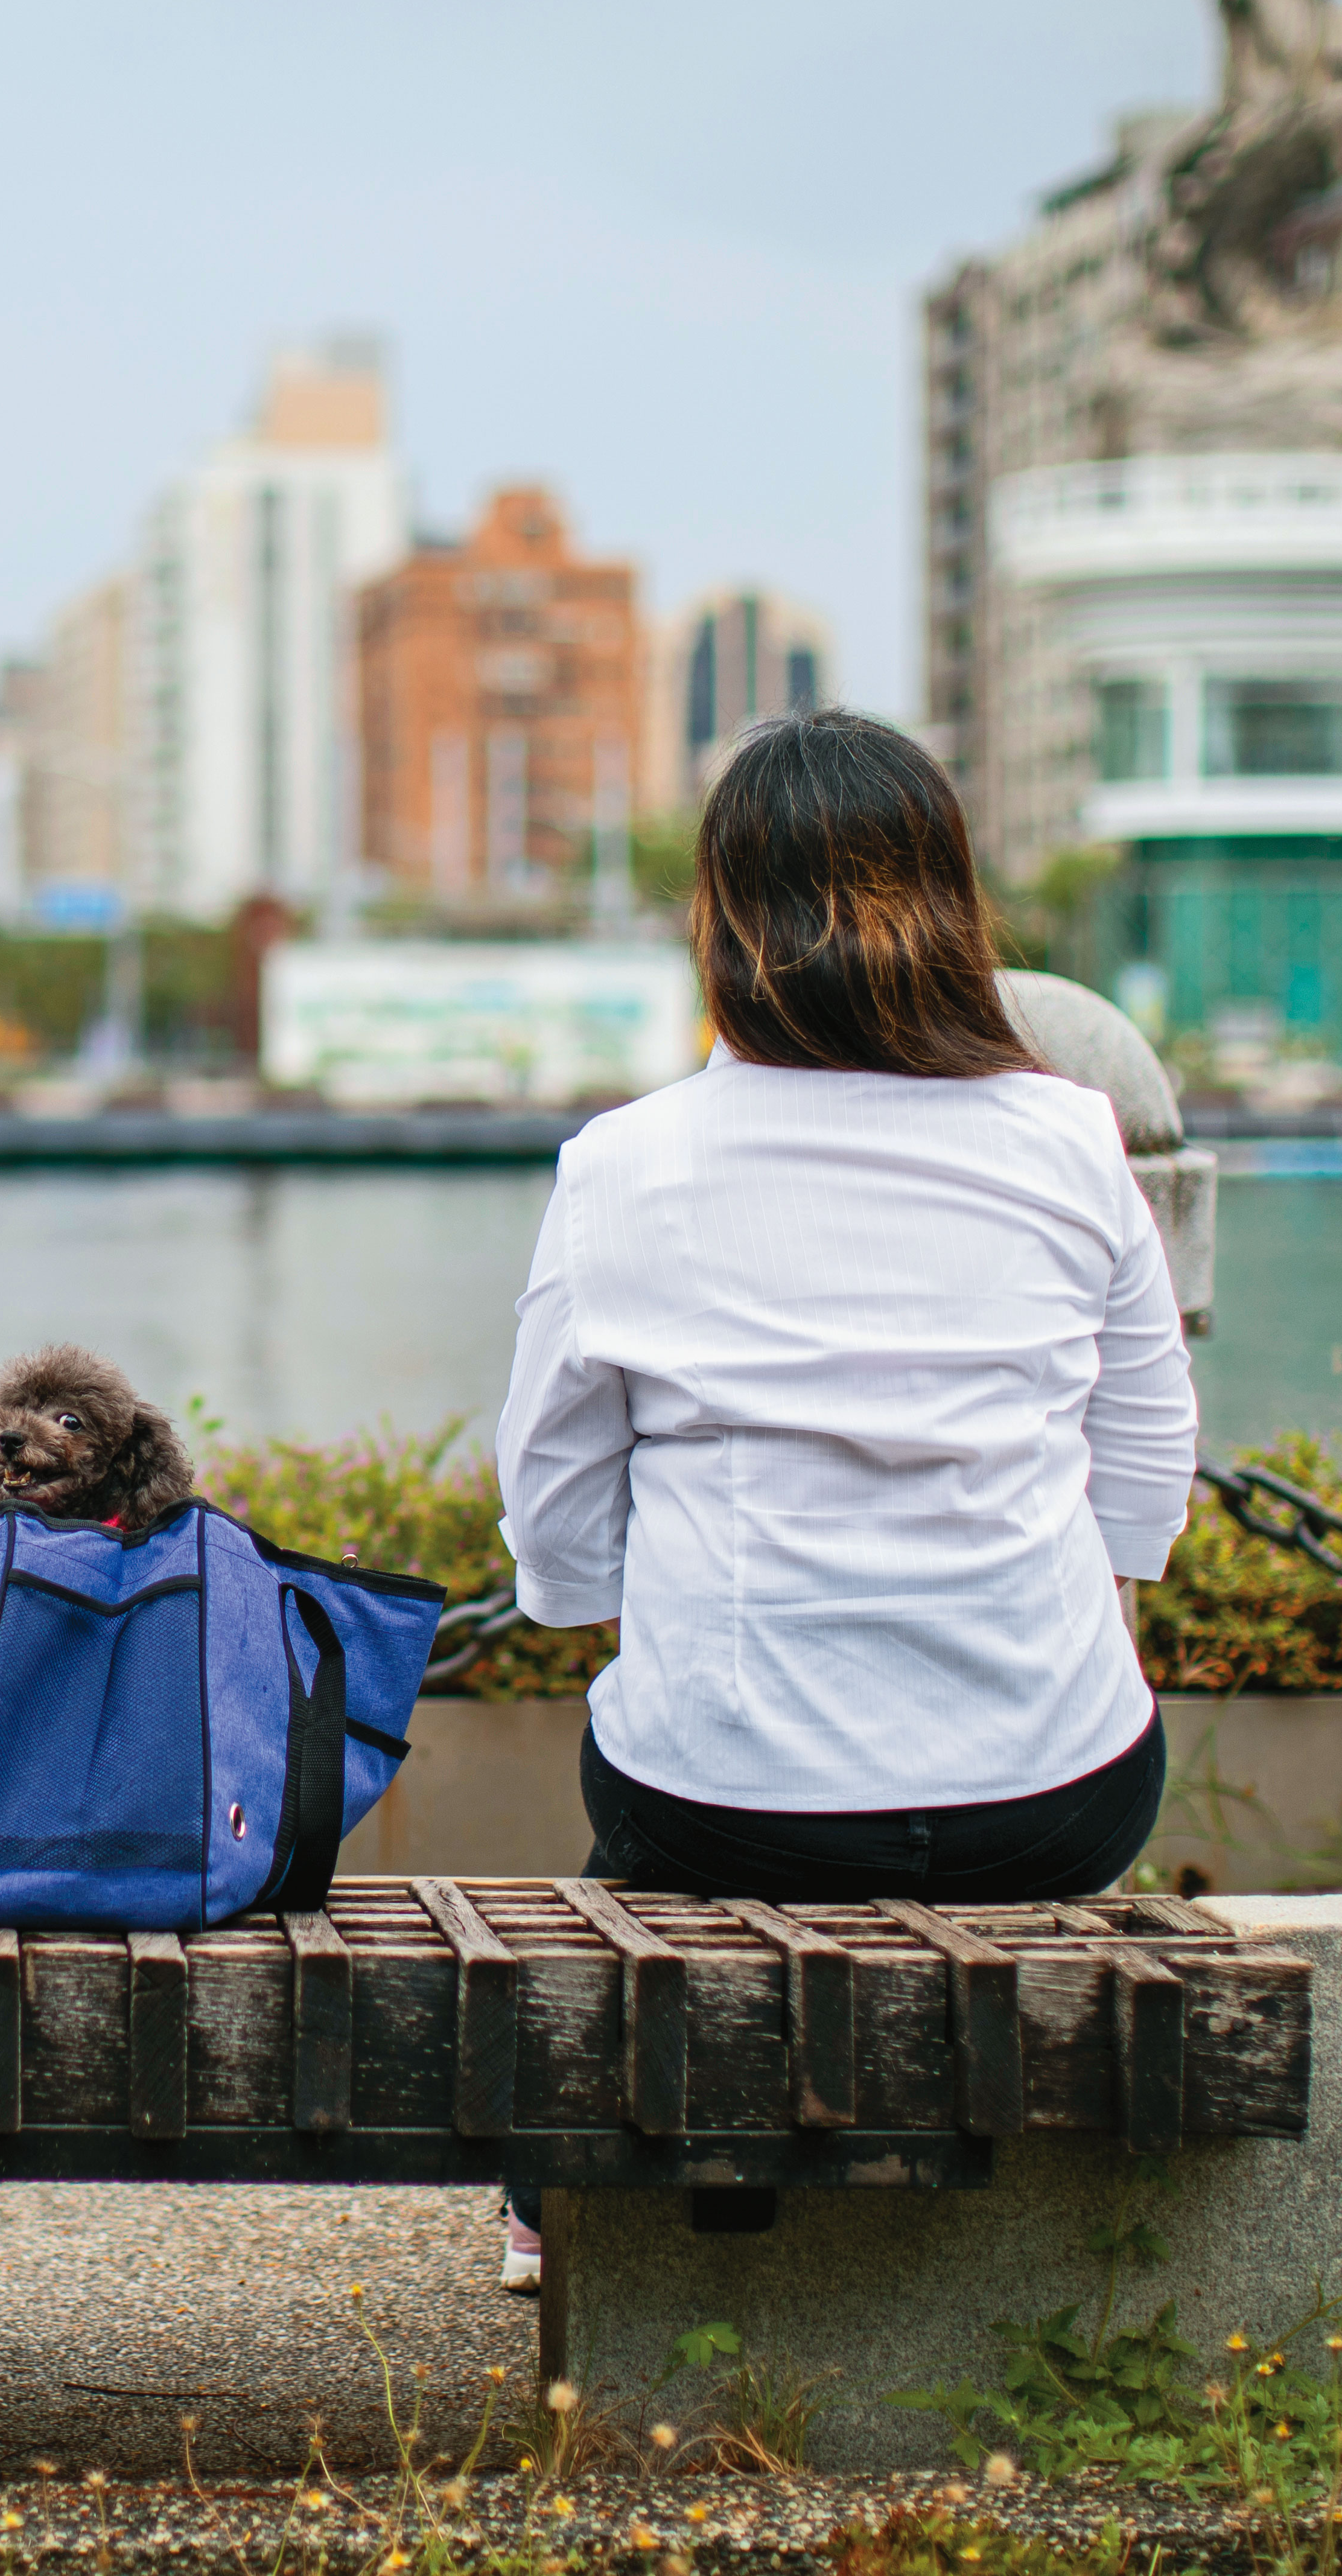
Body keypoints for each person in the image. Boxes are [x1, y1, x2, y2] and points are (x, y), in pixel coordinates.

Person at [485, 710, 1198, 2293]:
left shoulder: (626, 1166)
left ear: (720, 926)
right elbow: (1148, 1461)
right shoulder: (1074, 1141)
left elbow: (550, 1511)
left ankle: (569, 2192)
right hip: (1057, 1787)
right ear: (954, 911)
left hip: (729, 1802)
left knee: (645, 1835)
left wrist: (617, 1602)